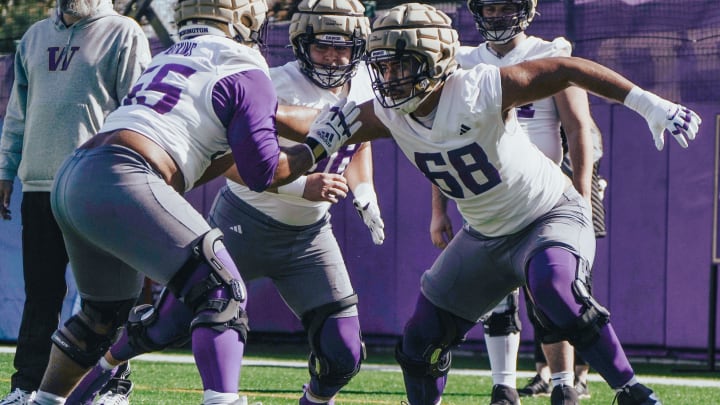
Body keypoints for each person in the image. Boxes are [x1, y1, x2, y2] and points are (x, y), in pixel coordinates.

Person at [282, 3, 698, 405]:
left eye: (401, 65)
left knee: (556, 289)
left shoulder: (479, 88)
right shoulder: (389, 113)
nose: (389, 78)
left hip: (546, 214)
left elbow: (566, 69)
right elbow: (309, 127)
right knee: (418, 347)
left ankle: (632, 392)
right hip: (484, 235)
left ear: (434, 62)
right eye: (384, 66)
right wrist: (272, 119)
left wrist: (648, 103)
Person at [25, 0, 361, 403]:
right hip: (124, 175)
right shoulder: (243, 64)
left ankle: (43, 400)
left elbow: (208, 159)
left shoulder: (168, 56)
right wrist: (318, 146)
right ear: (244, 19)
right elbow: (263, 173)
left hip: (77, 173)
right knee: (222, 291)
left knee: (99, 317)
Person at [427, 1, 596, 403]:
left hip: (545, 201)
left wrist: (582, 198)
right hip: (487, 200)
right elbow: (441, 141)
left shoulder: (550, 53)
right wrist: (438, 209)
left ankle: (563, 383)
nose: (499, 15)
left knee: (552, 294)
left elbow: (577, 130)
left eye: (508, 6)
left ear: (526, 10)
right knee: (498, 300)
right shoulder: (461, 61)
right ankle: (503, 385)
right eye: (491, 6)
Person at [0, 0, 150, 403]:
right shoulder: (33, 37)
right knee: (41, 295)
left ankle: (113, 386)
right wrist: (4, 171)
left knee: (110, 297)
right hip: (39, 187)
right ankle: (26, 387)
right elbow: (18, 113)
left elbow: (138, 112)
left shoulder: (124, 32)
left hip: (98, 184)